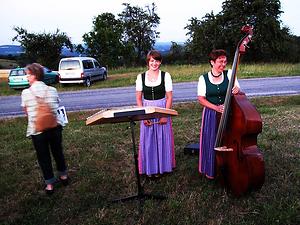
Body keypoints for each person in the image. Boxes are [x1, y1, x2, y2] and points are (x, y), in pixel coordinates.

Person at [21, 63, 69, 195]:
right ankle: (64, 176)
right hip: (55, 127)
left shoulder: (25, 93)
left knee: (43, 157)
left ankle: (49, 184)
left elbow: (27, 113)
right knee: (58, 152)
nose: (26, 77)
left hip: (38, 130)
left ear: (35, 75)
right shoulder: (52, 90)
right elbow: (56, 106)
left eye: (28, 74)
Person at [197, 49, 240, 179]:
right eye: (220, 62)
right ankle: (211, 169)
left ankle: (231, 165)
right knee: (211, 140)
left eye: (225, 62)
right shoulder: (203, 78)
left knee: (229, 139)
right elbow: (201, 99)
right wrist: (215, 107)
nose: (223, 64)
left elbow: (237, 90)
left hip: (229, 113)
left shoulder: (230, 74)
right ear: (212, 62)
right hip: (211, 114)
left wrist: (237, 89)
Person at [136, 50, 175, 177]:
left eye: (157, 60)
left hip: (162, 108)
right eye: (152, 60)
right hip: (146, 109)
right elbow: (138, 98)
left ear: (160, 62)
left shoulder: (166, 76)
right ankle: (150, 168)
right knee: (148, 139)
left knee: (162, 137)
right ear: (148, 62)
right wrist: (143, 116)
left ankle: (162, 167)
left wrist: (165, 115)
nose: (154, 63)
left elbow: (169, 97)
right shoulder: (140, 77)